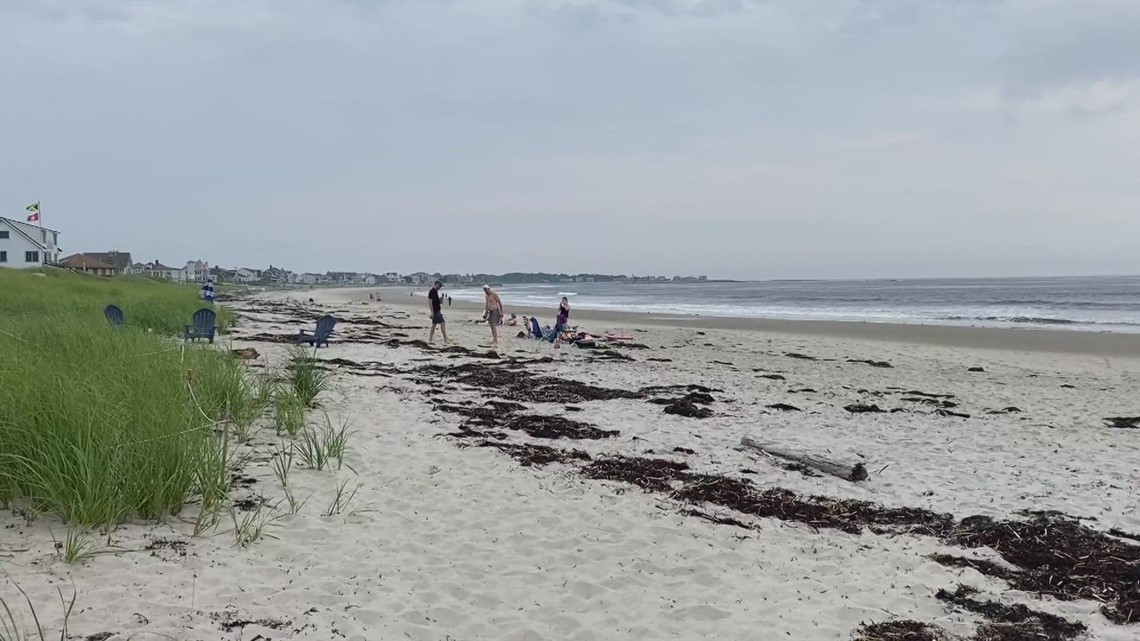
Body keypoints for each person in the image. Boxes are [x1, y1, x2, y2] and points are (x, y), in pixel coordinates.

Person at [427, 281, 449, 345]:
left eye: (441, 286)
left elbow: (439, 302)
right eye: (439, 286)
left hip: (437, 310)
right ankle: (445, 338)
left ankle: (430, 338)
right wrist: (432, 312)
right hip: (435, 311)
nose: (440, 287)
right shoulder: (431, 291)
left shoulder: (436, 291)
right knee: (442, 323)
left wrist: (441, 298)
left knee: (434, 325)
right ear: (436, 284)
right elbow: (430, 302)